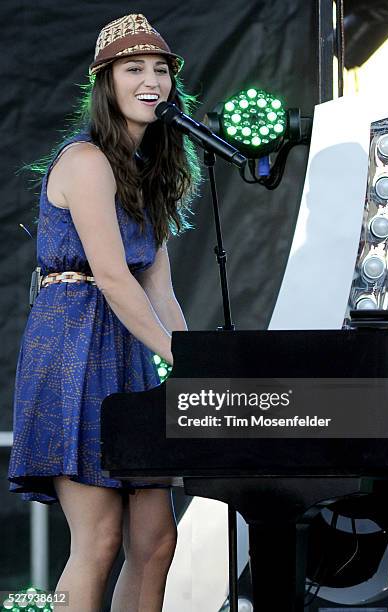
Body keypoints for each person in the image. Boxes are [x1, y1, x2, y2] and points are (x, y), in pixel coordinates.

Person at [8, 13, 201, 612]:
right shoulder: (86, 160)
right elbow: (114, 280)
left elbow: (159, 290)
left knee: (156, 540)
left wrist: (202, 364)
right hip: (74, 348)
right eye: (133, 68)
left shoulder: (152, 174)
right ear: (105, 83)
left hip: (127, 357)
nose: (151, 80)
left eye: (161, 69)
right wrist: (181, 360)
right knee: (99, 537)